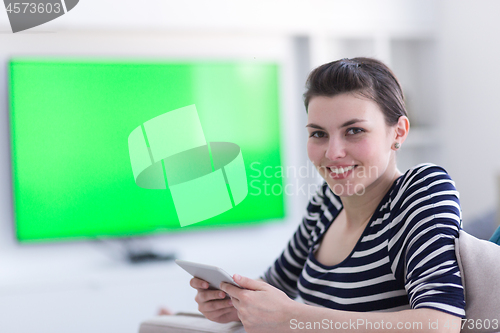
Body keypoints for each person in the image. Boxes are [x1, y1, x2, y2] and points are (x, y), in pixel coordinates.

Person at [189, 58, 465, 332]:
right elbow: (272, 291)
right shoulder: (327, 202)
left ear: (399, 132)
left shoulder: (422, 189)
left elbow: (440, 324)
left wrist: (292, 318)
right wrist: (232, 304)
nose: (333, 153)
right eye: (318, 134)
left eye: (354, 131)